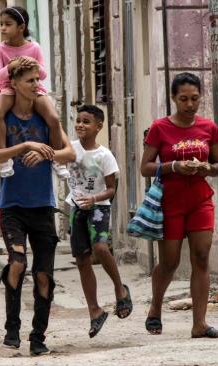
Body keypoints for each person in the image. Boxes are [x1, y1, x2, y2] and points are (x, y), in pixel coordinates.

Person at [0, 59, 75, 356]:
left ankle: (38, 336)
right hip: (12, 206)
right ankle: (12, 327)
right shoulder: (2, 119)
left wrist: (47, 154)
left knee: (44, 275)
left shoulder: (44, 119)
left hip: (43, 207)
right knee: (18, 262)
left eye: (37, 80)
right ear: (14, 85)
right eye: (29, 81)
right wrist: (24, 147)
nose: (36, 85)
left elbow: (69, 152)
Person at [140, 72, 218, 338]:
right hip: (170, 204)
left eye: (195, 99)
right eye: (184, 99)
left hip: (200, 200)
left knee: (201, 257)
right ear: (174, 98)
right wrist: (174, 166)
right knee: (169, 262)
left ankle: (199, 323)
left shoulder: (209, 127)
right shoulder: (160, 127)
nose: (190, 105)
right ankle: (155, 307)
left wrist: (206, 168)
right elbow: (145, 167)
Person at [65, 105, 132, 338]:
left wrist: (93, 198)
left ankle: (120, 289)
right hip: (76, 209)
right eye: (78, 121)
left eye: (86, 122)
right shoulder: (69, 149)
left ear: (98, 126)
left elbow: (111, 189)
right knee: (82, 259)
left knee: (101, 247)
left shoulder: (105, 156)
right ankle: (95, 310)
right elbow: (54, 158)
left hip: (98, 208)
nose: (80, 125)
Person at [0, 6, 68, 179]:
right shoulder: (0, 49)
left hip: (34, 88)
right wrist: (10, 67)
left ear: (21, 27)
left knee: (54, 118)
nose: (3, 28)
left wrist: (32, 61)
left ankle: (57, 159)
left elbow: (43, 74)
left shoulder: (34, 47)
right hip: (8, 87)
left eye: (7, 24)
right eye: (1, 24)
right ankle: (4, 157)